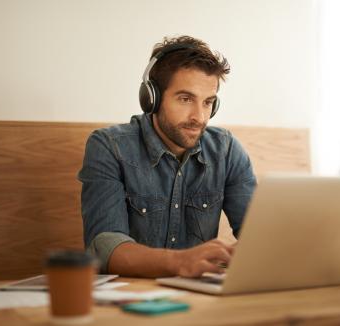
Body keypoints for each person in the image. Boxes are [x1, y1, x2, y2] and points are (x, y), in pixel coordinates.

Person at [78, 35, 256, 278]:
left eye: (208, 103)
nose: (200, 117)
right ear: (152, 98)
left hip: (198, 297)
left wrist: (251, 251)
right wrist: (180, 261)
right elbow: (105, 247)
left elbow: (259, 234)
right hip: (132, 296)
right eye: (185, 99)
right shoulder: (109, 147)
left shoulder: (226, 150)